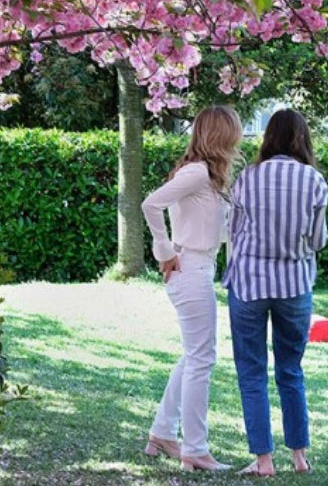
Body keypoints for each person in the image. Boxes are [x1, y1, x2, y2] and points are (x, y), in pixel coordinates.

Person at [224, 109, 328, 477]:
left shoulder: (246, 179)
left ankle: (263, 460)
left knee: (251, 371)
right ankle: (299, 456)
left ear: (268, 137)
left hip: (249, 283)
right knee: (291, 370)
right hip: (294, 285)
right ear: (303, 138)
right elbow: (317, 241)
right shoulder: (315, 181)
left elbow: (233, 232)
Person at [140, 106, 243, 472]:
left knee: (192, 356)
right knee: (202, 359)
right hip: (190, 268)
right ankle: (194, 449)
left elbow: (221, 230)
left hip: (199, 267)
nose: (239, 139)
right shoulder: (198, 173)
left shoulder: (209, 176)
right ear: (221, 135)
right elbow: (151, 204)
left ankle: (162, 433)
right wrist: (164, 251)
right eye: (234, 132)